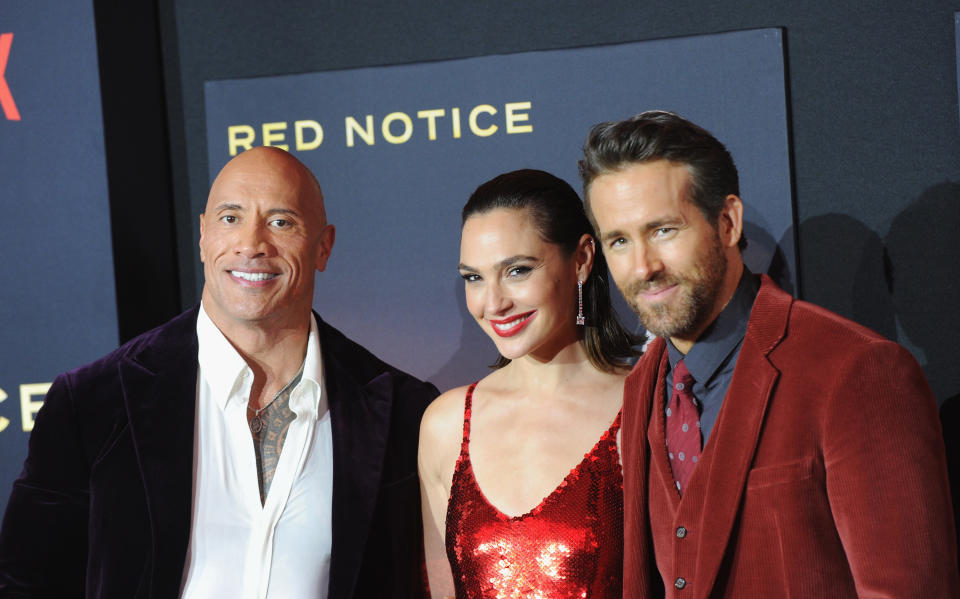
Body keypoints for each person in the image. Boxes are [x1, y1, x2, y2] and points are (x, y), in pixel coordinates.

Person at [0, 147, 438, 598]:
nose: (252, 244)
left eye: (281, 222)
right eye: (231, 218)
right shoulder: (93, 401)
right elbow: (30, 584)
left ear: (323, 245)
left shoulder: (404, 412)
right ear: (204, 234)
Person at [579, 110, 960, 598]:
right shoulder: (640, 389)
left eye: (663, 231)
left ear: (728, 221)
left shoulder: (856, 370)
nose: (643, 267)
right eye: (619, 241)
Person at [418, 169, 639, 599]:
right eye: (473, 277)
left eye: (517, 270)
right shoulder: (446, 425)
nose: (493, 302)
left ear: (581, 259)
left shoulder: (643, 407)